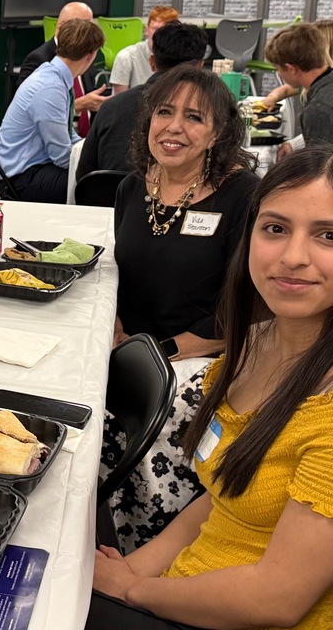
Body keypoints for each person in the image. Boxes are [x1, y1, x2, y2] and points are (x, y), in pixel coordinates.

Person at [89, 148, 333, 630]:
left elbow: (276, 601)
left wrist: (132, 590)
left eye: (328, 235)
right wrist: (133, 571)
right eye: (275, 228)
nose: (293, 257)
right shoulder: (252, 347)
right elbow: (221, 495)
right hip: (187, 588)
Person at [104, 64, 259, 551]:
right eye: (164, 112)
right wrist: (116, 328)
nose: (174, 128)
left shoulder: (243, 197)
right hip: (132, 345)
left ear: (218, 133)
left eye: (194, 117)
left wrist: (160, 352)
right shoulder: (133, 188)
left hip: (205, 354)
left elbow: (247, 305)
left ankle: (151, 548)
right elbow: (120, 275)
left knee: (157, 408)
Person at [77, 21, 208, 181]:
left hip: (104, 195)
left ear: (152, 62)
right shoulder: (208, 112)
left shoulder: (112, 106)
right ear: (200, 66)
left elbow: (83, 174)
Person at [0, 19, 105, 204]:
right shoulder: (50, 88)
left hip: (33, 167)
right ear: (91, 56)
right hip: (24, 178)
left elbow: (68, 135)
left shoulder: (53, 75)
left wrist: (92, 152)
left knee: (97, 175)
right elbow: (62, 157)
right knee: (97, 185)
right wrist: (97, 161)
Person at [18, 1, 109, 136]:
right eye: (81, 27)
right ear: (61, 27)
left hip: (86, 135)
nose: (88, 34)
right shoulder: (39, 60)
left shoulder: (86, 53)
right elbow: (29, 112)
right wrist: (79, 104)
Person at [262, 21, 333, 162]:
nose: (279, 74)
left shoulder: (319, 109)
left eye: (278, 69)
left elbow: (321, 167)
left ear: (291, 69)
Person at [109, 6, 181, 95]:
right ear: (147, 30)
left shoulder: (182, 57)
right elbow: (119, 100)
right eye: (156, 29)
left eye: (166, 30)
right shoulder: (126, 57)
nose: (160, 34)